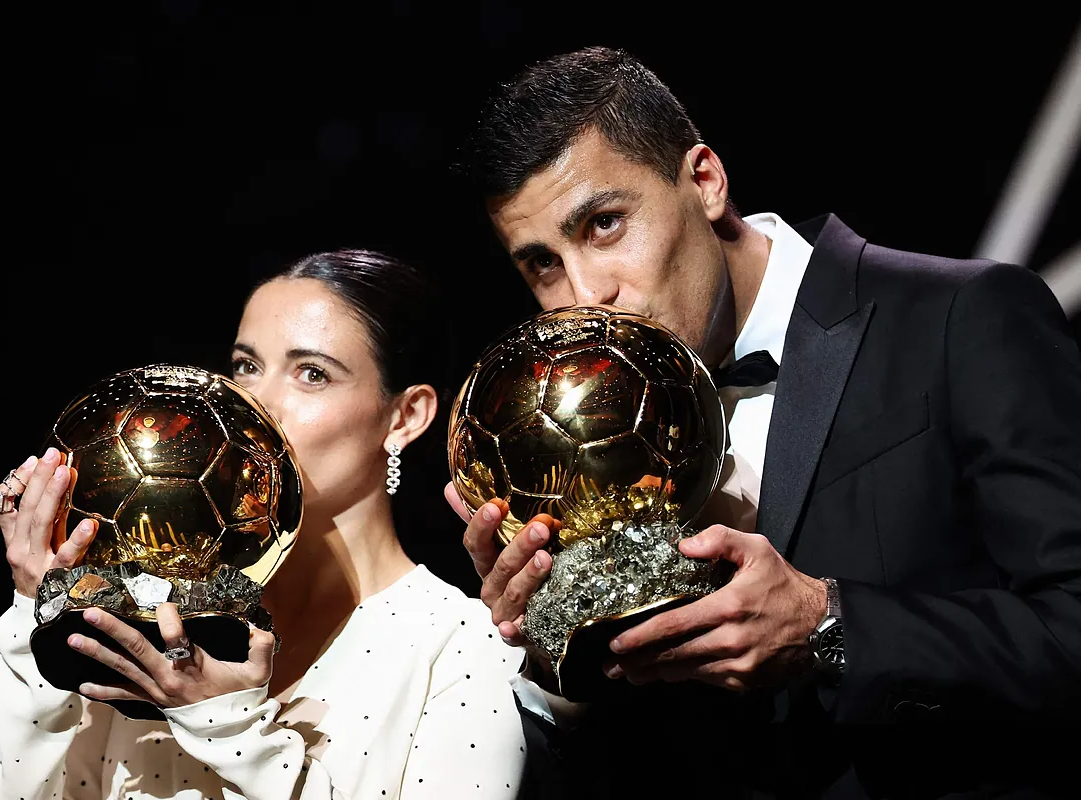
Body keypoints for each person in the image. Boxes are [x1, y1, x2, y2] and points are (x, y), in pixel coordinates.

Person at [447, 46, 1081, 798]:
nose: (586, 294)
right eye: (543, 266)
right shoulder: (567, 453)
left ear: (705, 182)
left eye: (606, 224)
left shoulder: (960, 318)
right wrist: (555, 651)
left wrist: (826, 622)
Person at [0, 249, 527, 799]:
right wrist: (34, 617)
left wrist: (230, 731)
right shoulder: (144, 609)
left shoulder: (457, 648)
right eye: (246, 366)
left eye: (312, 374)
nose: (253, 403)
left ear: (405, 417)